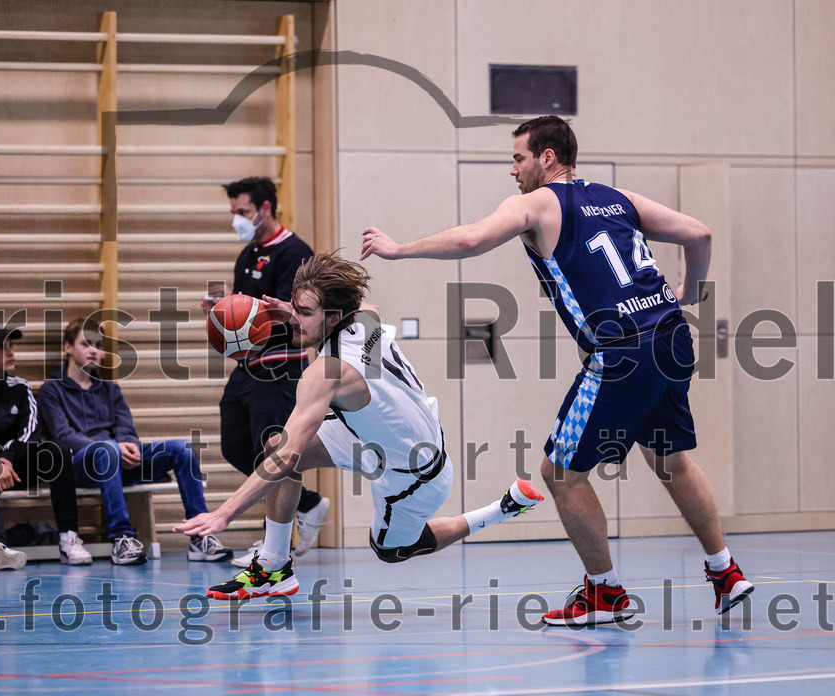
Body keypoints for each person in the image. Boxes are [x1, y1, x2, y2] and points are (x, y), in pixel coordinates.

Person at [360, 115, 754, 625]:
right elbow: (699, 233)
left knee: (560, 473)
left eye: (518, 158)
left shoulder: (539, 203)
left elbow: (470, 241)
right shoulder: (618, 197)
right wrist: (693, 290)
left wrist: (398, 249)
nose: (513, 170)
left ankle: (605, 594)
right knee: (670, 460)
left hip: (622, 351)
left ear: (547, 158)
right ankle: (725, 570)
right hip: (671, 337)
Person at [177, 252, 543, 600]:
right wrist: (291, 308)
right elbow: (369, 306)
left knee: (391, 550)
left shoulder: (327, 372)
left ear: (333, 318)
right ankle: (273, 568)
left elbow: (289, 456)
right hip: (372, 433)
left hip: (413, 473)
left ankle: (502, 508)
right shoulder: (363, 321)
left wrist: (224, 513)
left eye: (304, 312)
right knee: (276, 444)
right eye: (295, 307)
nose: (292, 319)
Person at [204, 177, 330, 567]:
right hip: (248, 366)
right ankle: (308, 503)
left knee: (272, 450)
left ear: (265, 209)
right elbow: (248, 313)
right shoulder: (247, 255)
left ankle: (275, 546)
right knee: (234, 444)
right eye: (233, 212)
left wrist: (247, 318)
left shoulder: (295, 253)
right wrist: (225, 313)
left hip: (280, 368)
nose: (237, 219)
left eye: (242, 212)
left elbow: (295, 318)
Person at [37, 317, 231, 565]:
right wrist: (115, 448)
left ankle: (200, 536)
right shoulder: (51, 390)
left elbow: (126, 428)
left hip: (118, 460)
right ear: (68, 347)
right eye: (86, 344)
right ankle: (122, 539)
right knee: (107, 449)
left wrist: (128, 445)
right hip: (82, 466)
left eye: (98, 345)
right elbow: (64, 437)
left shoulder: (110, 390)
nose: (94, 350)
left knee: (182, 448)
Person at [0, 322, 92, 570]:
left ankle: (69, 538)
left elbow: (31, 433)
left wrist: (6, 459)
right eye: (3, 348)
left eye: (11, 346)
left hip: (16, 466)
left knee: (55, 452)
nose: (11, 352)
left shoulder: (21, 388)